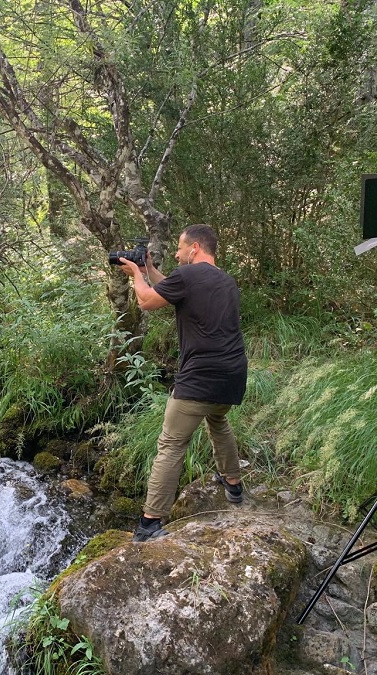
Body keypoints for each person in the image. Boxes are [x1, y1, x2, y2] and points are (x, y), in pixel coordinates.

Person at [118, 224, 248, 542]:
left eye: (180, 248)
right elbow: (171, 291)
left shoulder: (188, 276)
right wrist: (149, 268)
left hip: (199, 377)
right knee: (218, 419)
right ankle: (233, 483)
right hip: (232, 375)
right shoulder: (226, 281)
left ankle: (149, 523)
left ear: (195, 248)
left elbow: (148, 301)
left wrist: (135, 273)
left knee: (172, 445)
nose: (176, 254)